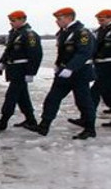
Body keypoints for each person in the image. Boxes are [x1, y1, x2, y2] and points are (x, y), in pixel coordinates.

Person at [32, 8, 97, 139]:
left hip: (80, 73)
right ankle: (44, 125)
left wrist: (71, 68)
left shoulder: (82, 33)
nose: (57, 21)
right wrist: (58, 65)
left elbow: (84, 53)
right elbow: (62, 53)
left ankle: (90, 129)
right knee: (52, 98)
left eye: (60, 19)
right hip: (64, 72)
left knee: (83, 101)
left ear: (69, 18)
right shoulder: (64, 33)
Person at [0, 11, 43, 130]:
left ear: (22, 20)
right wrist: (3, 62)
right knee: (22, 96)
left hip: (22, 70)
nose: (11, 23)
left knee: (11, 96)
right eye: (10, 20)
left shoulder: (29, 35)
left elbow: (36, 55)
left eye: (13, 20)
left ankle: (3, 121)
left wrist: (31, 72)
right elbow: (9, 50)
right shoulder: (15, 33)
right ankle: (31, 120)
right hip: (14, 69)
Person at [90, 9, 111, 127]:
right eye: (99, 19)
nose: (100, 21)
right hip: (99, 64)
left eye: (103, 19)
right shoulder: (98, 31)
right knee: (106, 92)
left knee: (95, 91)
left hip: (109, 64)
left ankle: (88, 116)